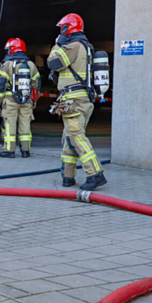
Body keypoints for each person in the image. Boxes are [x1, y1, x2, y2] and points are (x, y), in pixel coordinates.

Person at [48, 13, 106, 190]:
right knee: (69, 139)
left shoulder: (73, 46)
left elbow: (53, 62)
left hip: (75, 101)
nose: (61, 32)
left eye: (62, 29)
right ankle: (68, 176)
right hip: (81, 100)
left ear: (68, 28)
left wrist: (58, 43)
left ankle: (95, 173)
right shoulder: (86, 46)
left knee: (76, 137)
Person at [0, 38, 40, 159]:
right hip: (27, 99)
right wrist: (33, 100)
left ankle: (9, 151)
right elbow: (36, 84)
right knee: (25, 124)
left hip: (10, 99)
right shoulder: (31, 65)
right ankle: (25, 151)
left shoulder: (7, 65)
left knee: (10, 124)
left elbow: (1, 85)